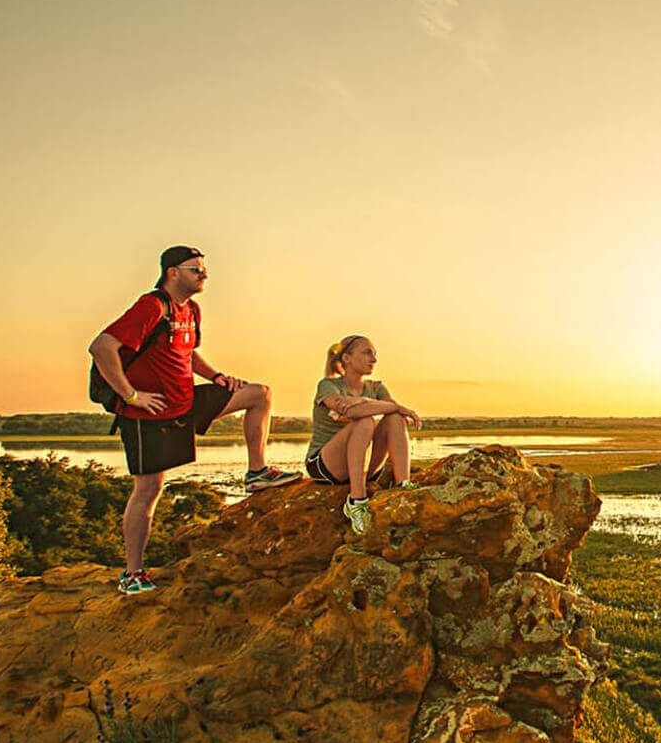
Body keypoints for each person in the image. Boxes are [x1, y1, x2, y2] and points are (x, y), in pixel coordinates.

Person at [89, 245, 300, 595]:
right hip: (148, 413)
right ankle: (132, 574)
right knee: (148, 490)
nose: (204, 274)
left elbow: (187, 353)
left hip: (184, 402)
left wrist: (216, 377)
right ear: (172, 273)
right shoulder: (152, 306)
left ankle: (257, 472)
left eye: (204, 269)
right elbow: (101, 347)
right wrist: (131, 395)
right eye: (195, 269)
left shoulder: (191, 310)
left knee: (259, 394)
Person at [305, 335, 421, 533]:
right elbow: (351, 412)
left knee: (394, 418)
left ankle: (403, 485)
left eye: (374, 354)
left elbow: (393, 409)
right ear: (347, 358)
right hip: (326, 464)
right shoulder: (328, 386)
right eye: (367, 353)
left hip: (365, 466)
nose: (374, 359)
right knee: (366, 421)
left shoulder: (376, 387)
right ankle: (356, 500)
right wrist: (377, 405)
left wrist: (364, 401)